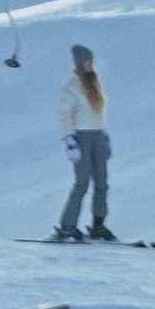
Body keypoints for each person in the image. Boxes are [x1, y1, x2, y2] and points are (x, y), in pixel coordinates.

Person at [54, 43, 115, 243]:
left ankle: (98, 224)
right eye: (87, 61)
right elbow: (64, 115)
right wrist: (70, 139)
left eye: (91, 61)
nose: (90, 65)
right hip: (81, 136)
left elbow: (99, 114)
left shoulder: (96, 83)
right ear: (80, 63)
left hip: (97, 136)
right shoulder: (71, 86)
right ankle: (68, 225)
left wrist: (105, 137)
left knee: (102, 182)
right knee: (82, 183)